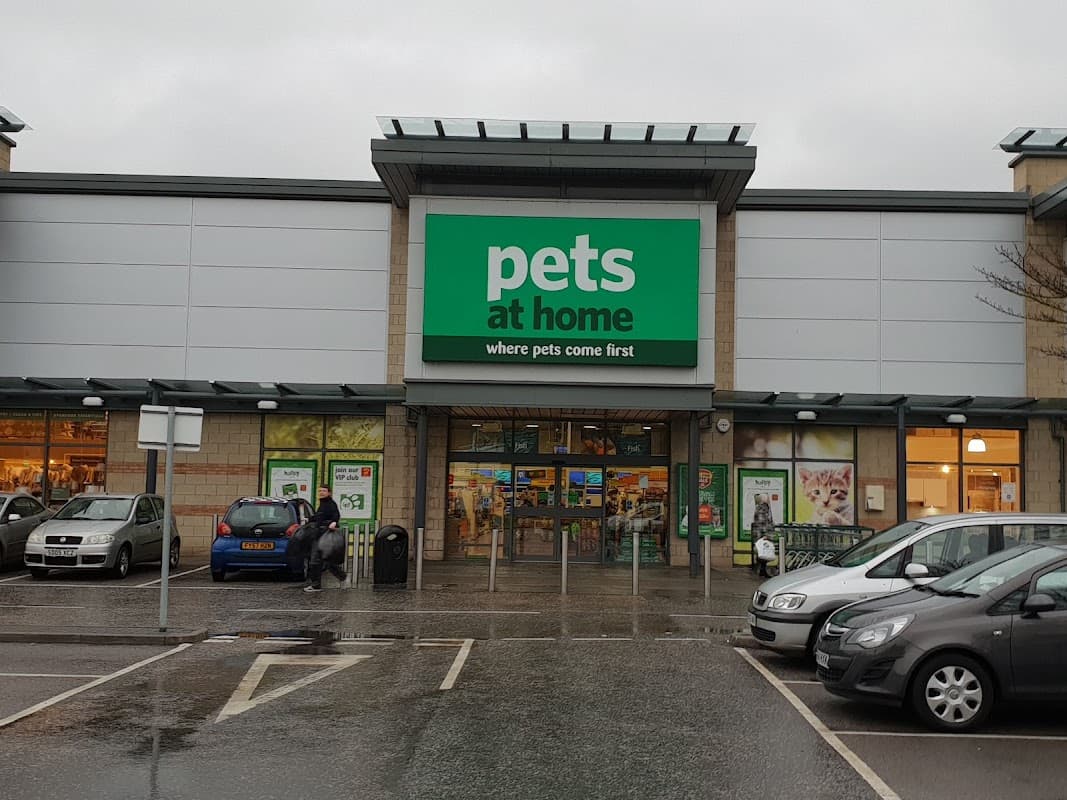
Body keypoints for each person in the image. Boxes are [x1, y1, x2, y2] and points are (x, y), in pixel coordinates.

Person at [304, 485, 345, 593]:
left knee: (317, 560)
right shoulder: (322, 504)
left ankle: (316, 585)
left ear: (329, 493)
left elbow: (336, 515)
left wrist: (334, 522)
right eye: (320, 491)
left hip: (324, 535)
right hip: (319, 535)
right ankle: (342, 577)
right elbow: (319, 517)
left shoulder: (330, 504)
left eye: (324, 491)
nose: (321, 493)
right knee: (324, 560)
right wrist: (309, 519)